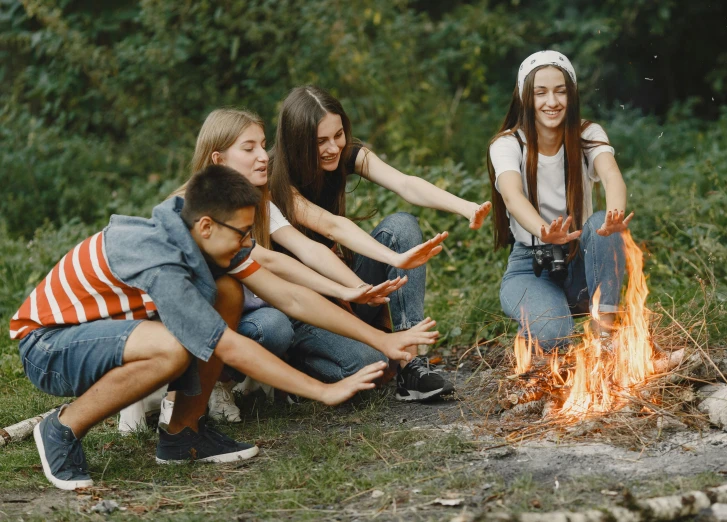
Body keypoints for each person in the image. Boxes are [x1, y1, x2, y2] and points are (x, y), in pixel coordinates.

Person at [10, 165, 437, 490]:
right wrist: (323, 391)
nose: (249, 241)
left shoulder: (201, 235)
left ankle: (184, 433)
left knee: (229, 292)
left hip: (101, 337)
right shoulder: (160, 258)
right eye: (244, 232)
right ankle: (62, 428)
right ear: (208, 225)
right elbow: (226, 345)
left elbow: (288, 296)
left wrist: (385, 338)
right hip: (46, 347)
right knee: (172, 349)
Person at [151, 108, 418, 426]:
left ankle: (279, 375)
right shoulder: (190, 212)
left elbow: (302, 252)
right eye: (248, 149)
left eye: (263, 145)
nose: (263, 156)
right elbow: (270, 261)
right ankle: (205, 386)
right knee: (271, 323)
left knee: (370, 363)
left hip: (265, 310)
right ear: (218, 159)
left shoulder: (259, 202)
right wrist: (347, 289)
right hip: (211, 324)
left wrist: (353, 291)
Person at [269, 85, 492, 401]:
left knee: (401, 226)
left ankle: (411, 364)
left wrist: (464, 206)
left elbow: (404, 183)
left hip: (347, 290)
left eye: (338, 135)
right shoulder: (273, 178)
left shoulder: (346, 154)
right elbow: (332, 227)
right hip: (305, 307)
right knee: (370, 366)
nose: (334, 147)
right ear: (296, 143)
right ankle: (289, 369)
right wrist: (393, 259)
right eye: (320, 142)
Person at [487, 50, 634, 350]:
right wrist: (543, 230)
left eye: (560, 92)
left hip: (580, 260)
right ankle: (544, 321)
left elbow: (611, 175)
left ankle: (605, 335)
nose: (551, 102)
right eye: (540, 93)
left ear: (572, 94)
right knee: (554, 337)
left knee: (601, 224)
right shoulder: (507, 144)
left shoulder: (587, 133)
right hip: (531, 265)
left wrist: (614, 216)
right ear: (525, 97)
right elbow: (512, 197)